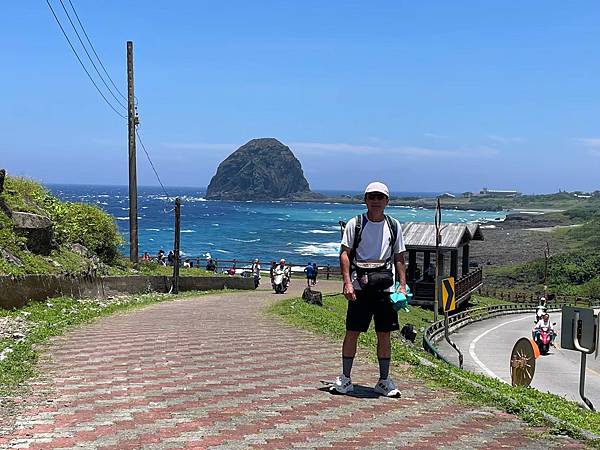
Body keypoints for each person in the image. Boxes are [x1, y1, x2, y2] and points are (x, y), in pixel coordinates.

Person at [334, 181, 406, 397]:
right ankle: (345, 378)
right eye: (372, 197)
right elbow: (345, 253)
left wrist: (402, 286)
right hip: (359, 287)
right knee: (352, 332)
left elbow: (399, 257)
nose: (376, 201)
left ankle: (384, 380)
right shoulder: (355, 224)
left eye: (380, 197)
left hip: (385, 289)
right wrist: (347, 282)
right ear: (365, 199)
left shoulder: (394, 226)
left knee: (384, 334)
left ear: (386, 201)